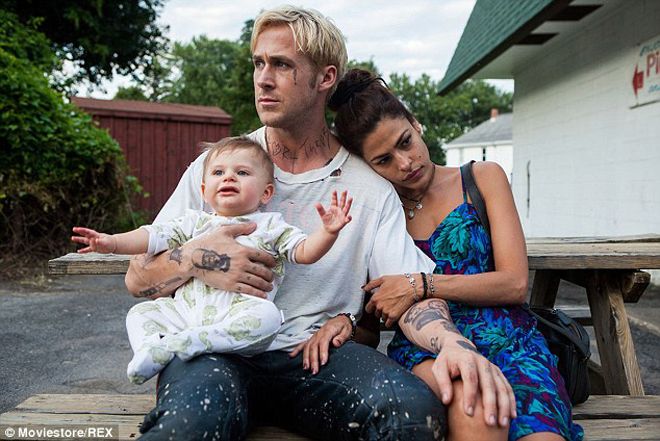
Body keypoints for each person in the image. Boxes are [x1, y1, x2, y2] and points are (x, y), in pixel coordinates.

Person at [123, 6, 513, 440]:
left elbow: (408, 293)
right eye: (258, 63)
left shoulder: (369, 189)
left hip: (315, 356)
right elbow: (138, 279)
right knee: (190, 423)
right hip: (210, 348)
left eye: (281, 65)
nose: (263, 79)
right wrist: (198, 259)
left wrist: (454, 344)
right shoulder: (219, 167)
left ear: (325, 78)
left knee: (410, 412)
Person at [328, 68, 585, 441]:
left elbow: (514, 284)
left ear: (416, 124)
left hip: (511, 341)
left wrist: (421, 284)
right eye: (383, 160)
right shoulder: (379, 213)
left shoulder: (482, 178)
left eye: (405, 142)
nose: (405, 163)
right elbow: (372, 318)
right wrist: (344, 324)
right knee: (474, 411)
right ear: (367, 166)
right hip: (427, 350)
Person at [71, 136, 353, 385]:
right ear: (205, 190)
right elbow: (151, 237)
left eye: (242, 172)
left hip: (237, 314)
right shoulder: (194, 223)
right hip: (184, 313)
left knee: (268, 318)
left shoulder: (270, 225)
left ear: (266, 192)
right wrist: (112, 242)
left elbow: (304, 252)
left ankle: (195, 341)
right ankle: (150, 350)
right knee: (141, 313)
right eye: (219, 172)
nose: (229, 177)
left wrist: (328, 232)